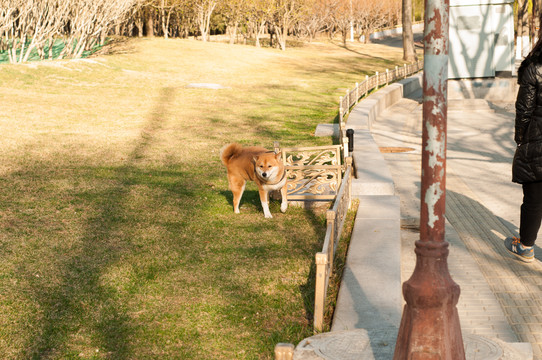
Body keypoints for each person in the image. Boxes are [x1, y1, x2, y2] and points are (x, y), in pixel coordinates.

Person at [506, 36, 542, 263]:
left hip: (537, 142)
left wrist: (521, 140)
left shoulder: (534, 68)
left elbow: (524, 110)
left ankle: (526, 247)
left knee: (534, 199)